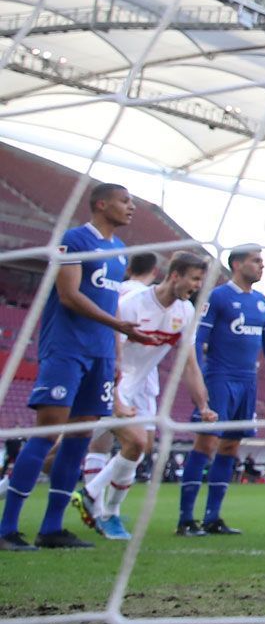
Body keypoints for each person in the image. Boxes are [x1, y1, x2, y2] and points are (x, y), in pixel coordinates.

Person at [1, 183, 158, 551]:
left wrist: (116, 354)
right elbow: (70, 295)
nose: (131, 207)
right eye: (124, 201)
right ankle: (7, 527)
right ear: (101, 204)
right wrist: (117, 326)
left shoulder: (120, 251)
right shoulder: (76, 239)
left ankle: (52, 528)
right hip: (67, 350)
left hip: (101, 354)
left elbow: (111, 300)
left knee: (79, 440)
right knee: (46, 435)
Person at [74, 251, 214, 540]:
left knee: (141, 446)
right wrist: (116, 398)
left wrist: (203, 405)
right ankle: (100, 504)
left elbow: (189, 363)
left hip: (141, 384)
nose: (198, 286)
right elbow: (108, 354)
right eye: (195, 279)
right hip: (112, 380)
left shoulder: (185, 312)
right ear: (175, 275)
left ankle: (96, 500)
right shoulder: (133, 305)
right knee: (121, 444)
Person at [176, 245, 265, 537]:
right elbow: (198, 339)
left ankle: (213, 517)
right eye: (256, 261)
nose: (261, 266)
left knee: (230, 447)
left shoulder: (262, 302)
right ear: (238, 265)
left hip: (247, 382)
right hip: (219, 379)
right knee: (206, 444)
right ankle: (186, 519)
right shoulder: (218, 297)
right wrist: (200, 379)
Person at [81, 250, 161, 488]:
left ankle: (94, 503)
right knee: (142, 443)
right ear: (155, 272)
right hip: (135, 372)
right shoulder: (146, 296)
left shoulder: (116, 288)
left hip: (103, 365)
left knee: (95, 442)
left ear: (128, 269)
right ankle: (93, 497)